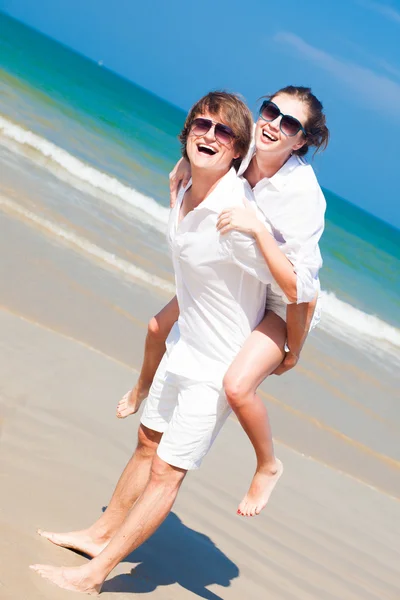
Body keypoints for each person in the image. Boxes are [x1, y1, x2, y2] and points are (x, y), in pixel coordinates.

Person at [31, 91, 296, 593]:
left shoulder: (233, 213)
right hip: (184, 343)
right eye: (202, 125)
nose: (210, 136)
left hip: (218, 366)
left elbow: (293, 287)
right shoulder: (181, 187)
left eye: (224, 132)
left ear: (239, 150)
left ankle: (94, 574)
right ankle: (100, 534)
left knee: (167, 472)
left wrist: (291, 348)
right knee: (146, 442)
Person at [117, 86, 329, 517]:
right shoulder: (250, 140)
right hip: (236, 275)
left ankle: (268, 465)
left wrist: (294, 349)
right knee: (157, 327)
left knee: (236, 385)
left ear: (302, 140)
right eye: (271, 111)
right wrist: (183, 165)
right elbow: (213, 148)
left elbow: (298, 289)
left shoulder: (303, 195)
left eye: (290, 123)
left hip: (283, 303)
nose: (274, 124)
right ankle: (142, 386)